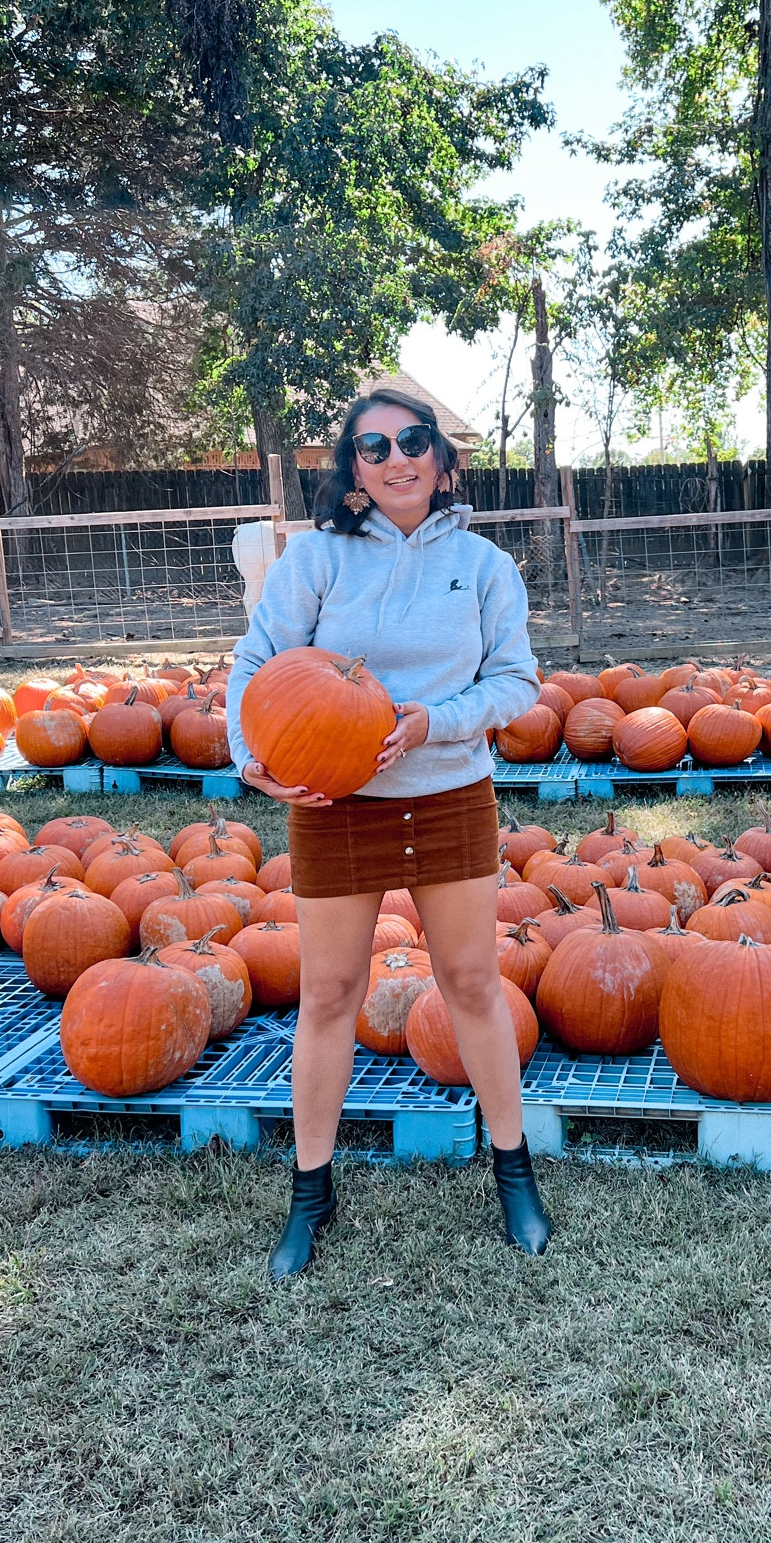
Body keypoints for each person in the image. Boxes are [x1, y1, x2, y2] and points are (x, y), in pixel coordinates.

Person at [224, 386, 552, 1281]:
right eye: (373, 448)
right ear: (354, 473)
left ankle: (513, 1169)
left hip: (447, 793)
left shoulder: (486, 566)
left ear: (442, 462)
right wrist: (249, 751)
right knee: (329, 993)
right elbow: (258, 664)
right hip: (338, 805)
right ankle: (310, 1189)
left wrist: (432, 723)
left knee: (473, 983)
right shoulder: (317, 560)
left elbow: (516, 686)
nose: (396, 458)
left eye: (413, 441)